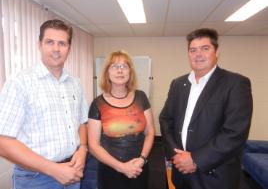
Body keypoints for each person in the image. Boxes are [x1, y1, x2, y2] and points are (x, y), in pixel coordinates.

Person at [159, 28, 253, 189]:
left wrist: (195, 159)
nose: (198, 54)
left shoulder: (236, 83)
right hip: (180, 172)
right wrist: (175, 155)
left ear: (217, 51)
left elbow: (235, 133)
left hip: (214, 176)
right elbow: (166, 119)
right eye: (193, 50)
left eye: (205, 48)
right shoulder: (178, 84)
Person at [0, 19, 88, 189]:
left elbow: (81, 122)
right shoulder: (20, 83)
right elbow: (3, 141)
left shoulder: (75, 83)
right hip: (35, 178)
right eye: (50, 42)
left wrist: (82, 148)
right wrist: (54, 170)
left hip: (73, 171)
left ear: (69, 48)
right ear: (39, 45)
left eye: (62, 43)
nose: (56, 49)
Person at [88, 50, 155, 189]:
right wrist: (121, 167)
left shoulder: (141, 97)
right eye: (114, 66)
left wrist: (142, 159)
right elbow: (93, 146)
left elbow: (150, 131)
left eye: (124, 66)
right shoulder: (97, 104)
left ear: (130, 72)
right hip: (111, 170)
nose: (120, 70)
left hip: (139, 167)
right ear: (107, 72)